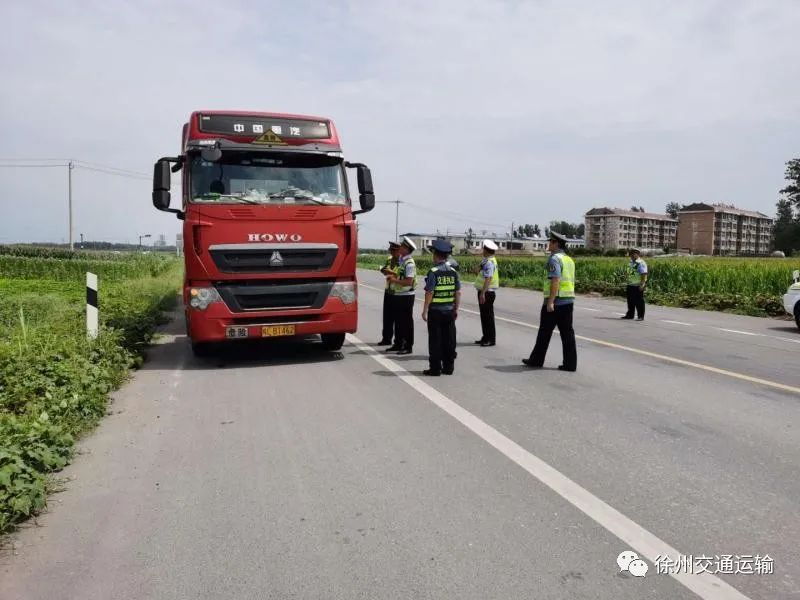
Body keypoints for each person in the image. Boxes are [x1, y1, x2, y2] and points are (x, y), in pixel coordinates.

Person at [522, 231, 577, 372]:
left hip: (555, 302)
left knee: (544, 333)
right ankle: (570, 364)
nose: (549, 244)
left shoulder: (554, 259)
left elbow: (555, 280)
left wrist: (550, 301)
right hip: (568, 301)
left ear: (556, 244)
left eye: (551, 242)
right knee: (567, 334)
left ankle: (536, 360)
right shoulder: (569, 259)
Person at [422, 240, 461, 376]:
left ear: (436, 255)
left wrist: (425, 310)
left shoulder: (433, 272)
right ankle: (449, 367)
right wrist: (456, 309)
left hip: (436, 312)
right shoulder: (453, 272)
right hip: (449, 311)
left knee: (435, 341)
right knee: (449, 340)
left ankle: (435, 368)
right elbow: (458, 292)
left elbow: (430, 292)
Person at [385, 236, 417, 355]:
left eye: (402, 247)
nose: (400, 248)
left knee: (406, 322)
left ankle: (407, 346)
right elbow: (401, 276)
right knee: (398, 322)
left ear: (407, 249)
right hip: (400, 295)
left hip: (406, 296)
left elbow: (408, 281)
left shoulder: (409, 263)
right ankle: (398, 343)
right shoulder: (403, 260)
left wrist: (394, 280)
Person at [474, 239, 499, 347]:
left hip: (487, 292)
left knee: (488, 317)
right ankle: (485, 337)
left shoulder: (489, 262)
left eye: (483, 248)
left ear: (487, 250)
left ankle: (490, 339)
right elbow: (477, 271)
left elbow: (488, 278)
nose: (482, 250)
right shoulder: (487, 260)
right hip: (485, 291)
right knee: (484, 316)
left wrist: (483, 293)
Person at [378, 241, 401, 345]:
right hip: (388, 291)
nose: (391, 252)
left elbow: (401, 274)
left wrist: (391, 272)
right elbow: (385, 269)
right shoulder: (389, 259)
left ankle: (398, 341)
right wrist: (383, 270)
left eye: (393, 251)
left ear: (399, 251)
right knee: (387, 317)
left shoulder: (402, 261)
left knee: (397, 319)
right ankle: (386, 338)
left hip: (398, 293)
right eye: (390, 250)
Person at [621, 248, 648, 321]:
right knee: (630, 301)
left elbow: (644, 274)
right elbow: (630, 272)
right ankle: (630, 315)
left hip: (637, 285)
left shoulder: (640, 263)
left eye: (634, 254)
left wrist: (642, 284)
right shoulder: (631, 263)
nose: (632, 255)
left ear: (638, 254)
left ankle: (640, 316)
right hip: (630, 284)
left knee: (639, 301)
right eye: (631, 254)